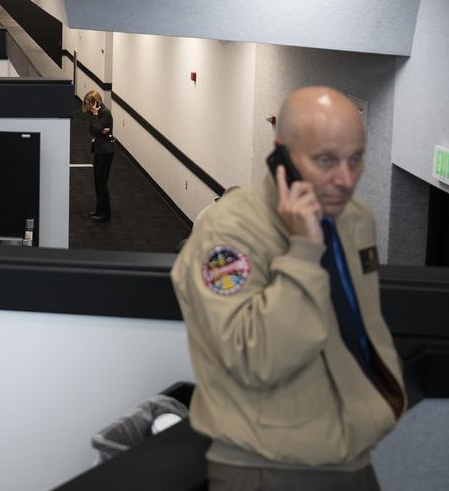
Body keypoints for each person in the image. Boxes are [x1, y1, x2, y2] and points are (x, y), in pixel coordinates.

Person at [171, 86, 405, 490]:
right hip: (266, 467)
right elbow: (254, 358)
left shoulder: (355, 219)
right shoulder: (227, 232)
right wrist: (303, 251)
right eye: (326, 161)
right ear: (282, 154)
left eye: (356, 159)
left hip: (350, 454)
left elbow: (359, 324)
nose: (346, 180)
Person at [82, 90, 114, 221]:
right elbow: (93, 130)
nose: (88, 106)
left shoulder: (104, 113)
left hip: (105, 152)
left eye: (89, 103)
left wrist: (96, 121)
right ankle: (99, 209)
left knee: (102, 183)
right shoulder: (98, 114)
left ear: (95, 102)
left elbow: (95, 129)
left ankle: (104, 213)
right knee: (97, 182)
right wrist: (100, 129)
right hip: (99, 151)